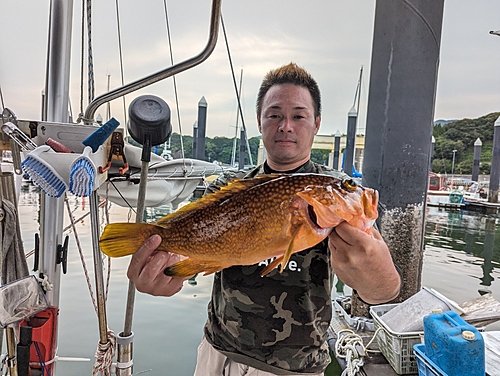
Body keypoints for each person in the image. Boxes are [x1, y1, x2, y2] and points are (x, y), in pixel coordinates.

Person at [127, 62, 402, 375]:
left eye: (299, 115)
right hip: (217, 356)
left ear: (316, 123)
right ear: (260, 121)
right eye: (275, 115)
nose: (286, 125)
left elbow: (385, 292)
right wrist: (163, 271)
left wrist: (375, 274)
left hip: (296, 369)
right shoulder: (227, 187)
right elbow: (188, 250)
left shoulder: (336, 192)